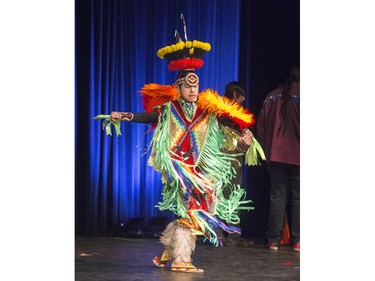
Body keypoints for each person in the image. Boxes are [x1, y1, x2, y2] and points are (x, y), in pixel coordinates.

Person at [95, 27, 264, 273]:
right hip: (180, 169)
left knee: (201, 209)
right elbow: (149, 116)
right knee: (195, 210)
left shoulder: (207, 110)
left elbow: (228, 126)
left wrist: (243, 136)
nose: (193, 90)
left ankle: (168, 252)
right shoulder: (170, 109)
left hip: (201, 169)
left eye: (195, 86)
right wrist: (123, 115)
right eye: (188, 86)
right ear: (180, 87)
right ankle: (181, 259)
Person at [256, 66, 300, 252]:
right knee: (299, 198)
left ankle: (273, 240)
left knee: (277, 197)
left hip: (275, 155)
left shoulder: (271, 96)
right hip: (299, 155)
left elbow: (261, 128)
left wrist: (267, 151)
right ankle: (298, 240)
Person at [221, 82, 254, 247]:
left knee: (225, 196)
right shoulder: (223, 113)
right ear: (234, 95)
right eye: (241, 98)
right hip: (228, 159)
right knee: (230, 196)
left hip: (226, 159)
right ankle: (228, 236)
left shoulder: (218, 112)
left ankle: (223, 235)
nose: (244, 100)